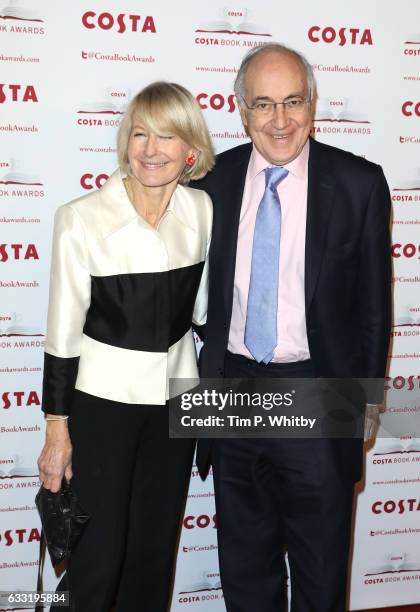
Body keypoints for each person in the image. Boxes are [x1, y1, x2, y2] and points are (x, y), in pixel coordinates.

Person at [191, 43, 391, 612]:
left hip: (320, 389)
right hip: (232, 392)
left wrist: (366, 400)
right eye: (263, 104)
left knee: (320, 566)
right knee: (244, 566)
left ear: (313, 104)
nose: (280, 120)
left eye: (293, 102)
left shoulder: (359, 184)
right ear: (241, 109)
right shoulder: (212, 181)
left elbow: (375, 305)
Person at [37, 81, 214, 612]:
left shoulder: (202, 210)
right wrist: (57, 432)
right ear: (125, 142)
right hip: (102, 408)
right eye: (140, 134)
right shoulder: (81, 219)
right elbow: (61, 335)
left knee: (154, 554)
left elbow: (203, 313)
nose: (151, 149)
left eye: (167, 136)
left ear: (190, 150)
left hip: (177, 407)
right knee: (97, 559)